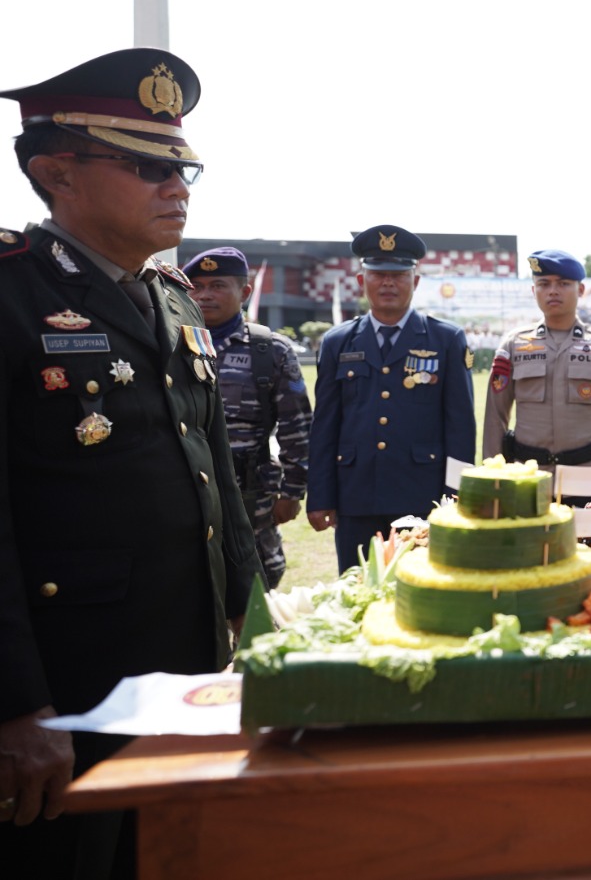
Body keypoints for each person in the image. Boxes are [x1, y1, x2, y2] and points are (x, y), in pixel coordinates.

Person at [0, 49, 263, 877]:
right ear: (57, 172)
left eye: (183, 166)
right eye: (149, 167)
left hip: (181, 665)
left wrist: (252, 624)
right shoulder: (12, 291)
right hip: (66, 681)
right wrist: (15, 707)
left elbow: (213, 467)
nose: (177, 186)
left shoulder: (176, 296)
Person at [307, 225, 476, 571]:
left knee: (421, 591)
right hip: (355, 496)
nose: (388, 283)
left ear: (414, 283)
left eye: (398, 275)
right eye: (378, 274)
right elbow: (324, 426)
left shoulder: (445, 339)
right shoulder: (338, 342)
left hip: (422, 496)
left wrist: (456, 498)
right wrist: (321, 496)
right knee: (356, 587)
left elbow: (460, 428)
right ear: (360, 281)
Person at [182, 246, 312, 589]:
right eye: (197, 286)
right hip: (183, 493)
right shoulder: (169, 345)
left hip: (250, 495)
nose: (205, 295)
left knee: (257, 582)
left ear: (245, 291)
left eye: (218, 285)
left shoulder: (269, 350)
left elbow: (296, 427)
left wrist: (292, 492)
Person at [484, 249, 591, 503]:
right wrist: (491, 475)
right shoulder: (514, 344)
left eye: (563, 284)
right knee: (525, 542)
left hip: (585, 476)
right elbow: (495, 416)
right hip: (527, 477)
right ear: (533, 291)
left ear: (581, 290)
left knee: (585, 543)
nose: (553, 291)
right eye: (544, 284)